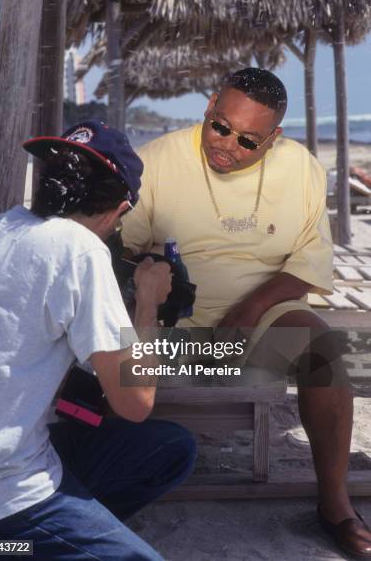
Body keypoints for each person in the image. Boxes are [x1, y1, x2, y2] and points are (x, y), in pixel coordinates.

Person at [121, 68, 371, 559]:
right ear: (211, 104)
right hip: (176, 330)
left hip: (262, 325)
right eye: (219, 126)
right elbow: (117, 251)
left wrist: (252, 304)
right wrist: (151, 280)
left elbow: (310, 261)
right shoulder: (157, 160)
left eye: (247, 140)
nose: (227, 144)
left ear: (273, 138)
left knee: (324, 350)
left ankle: (335, 505)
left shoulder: (300, 167)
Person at [0, 120, 197, 560]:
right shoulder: (79, 250)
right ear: (119, 209)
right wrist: (147, 305)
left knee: (169, 448)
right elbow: (134, 402)